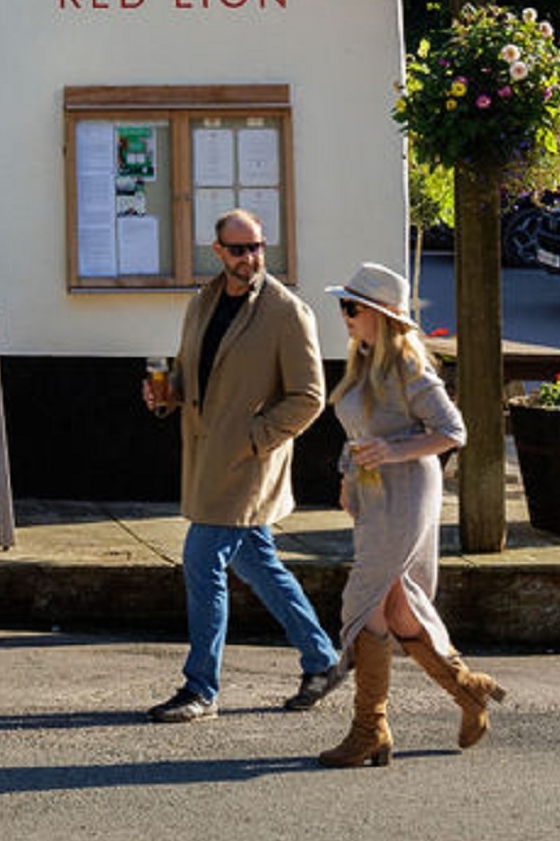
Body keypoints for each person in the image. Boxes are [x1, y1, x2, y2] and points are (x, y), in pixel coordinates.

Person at [143, 210, 345, 722]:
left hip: (250, 466)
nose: (250, 258)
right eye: (238, 250)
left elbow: (309, 397)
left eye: (256, 247)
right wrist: (166, 396)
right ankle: (322, 659)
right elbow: (193, 374)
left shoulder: (287, 312)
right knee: (259, 563)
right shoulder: (203, 303)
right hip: (207, 457)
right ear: (218, 252)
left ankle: (200, 688)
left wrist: (255, 438)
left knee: (201, 560)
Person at [314, 261, 508, 768]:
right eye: (343, 307)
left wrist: (391, 451)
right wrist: (347, 474)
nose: (344, 316)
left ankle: (368, 729)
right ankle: (467, 691)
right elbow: (357, 433)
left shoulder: (409, 367)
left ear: (381, 315)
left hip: (405, 491)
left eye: (351, 308)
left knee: (368, 601)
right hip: (375, 491)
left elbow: (453, 431)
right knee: (396, 609)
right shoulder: (363, 360)